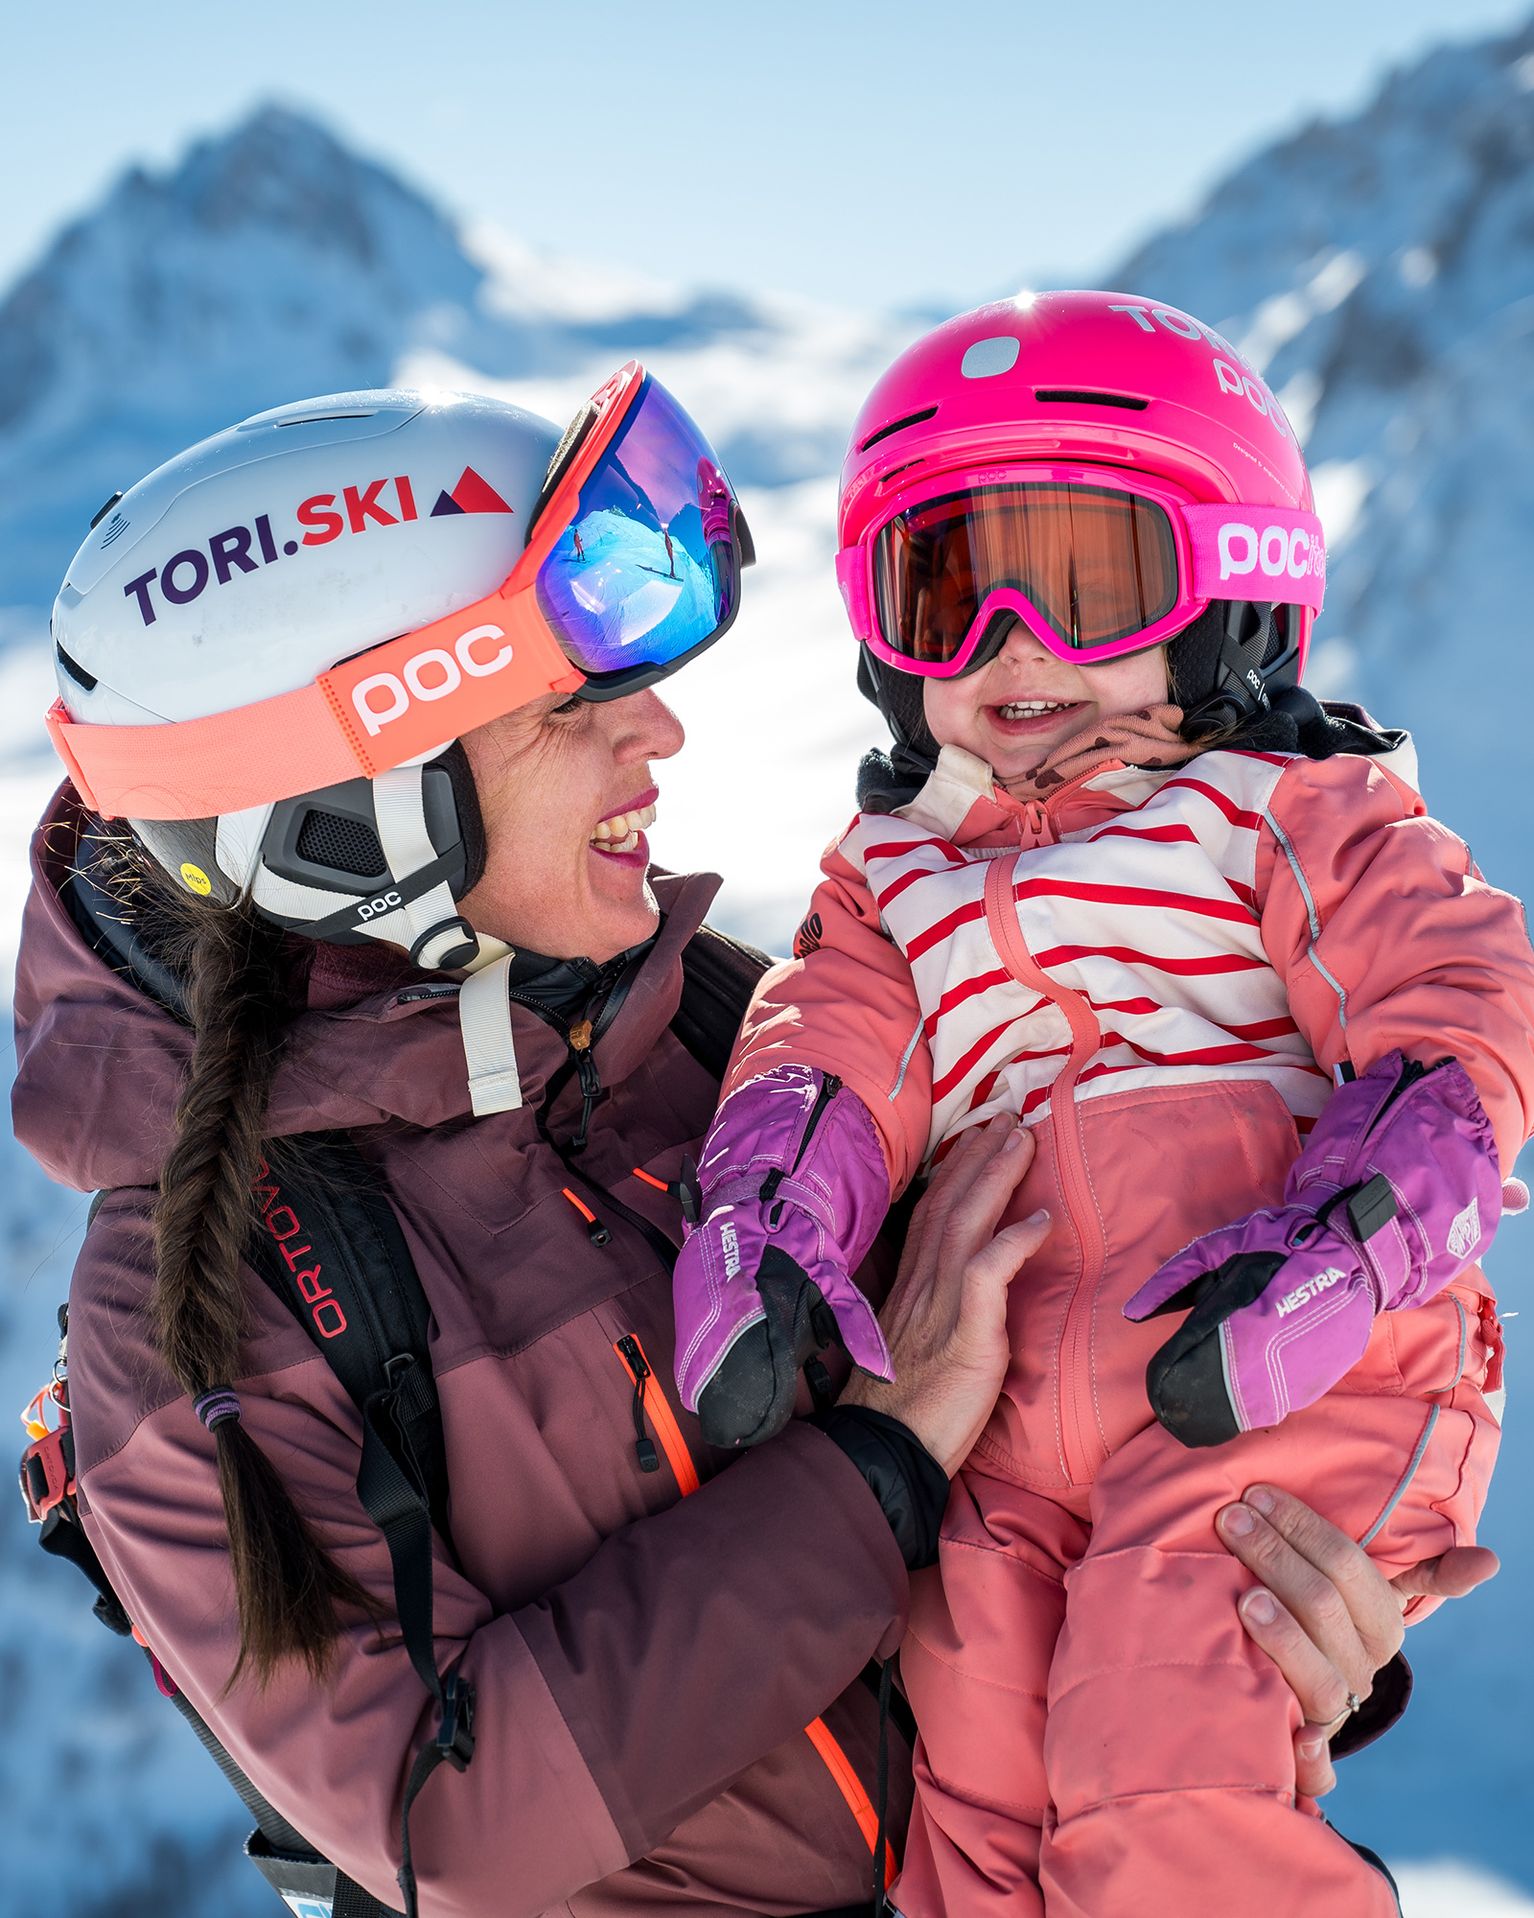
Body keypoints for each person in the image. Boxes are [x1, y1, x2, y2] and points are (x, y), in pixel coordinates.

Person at [12, 366, 1489, 1918]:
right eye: (577, 706)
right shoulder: (195, 1301)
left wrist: (1271, 1641)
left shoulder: (710, 1023)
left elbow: (1076, 1413)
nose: (661, 731)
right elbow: (445, 1813)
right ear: (349, 812)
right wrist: (881, 1461)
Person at [670, 293, 1533, 1917]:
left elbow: (1449, 1000)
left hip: (1274, 1364)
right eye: (942, 589)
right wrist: (771, 1221)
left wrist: (1344, 1241)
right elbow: (829, 1049)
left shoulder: (1284, 804)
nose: (1009, 642)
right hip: (1002, 1427)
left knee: (1164, 1765)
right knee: (976, 1798)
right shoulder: (888, 874)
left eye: (1085, 583)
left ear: (1235, 591)